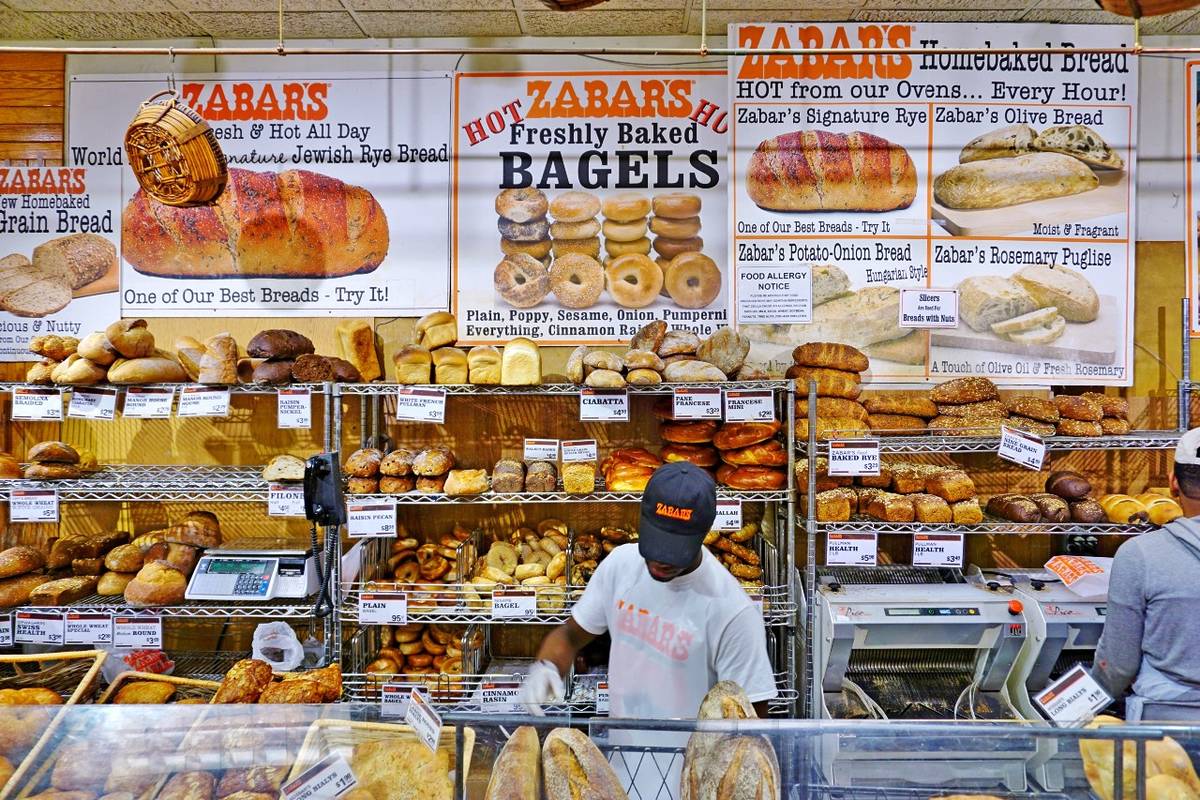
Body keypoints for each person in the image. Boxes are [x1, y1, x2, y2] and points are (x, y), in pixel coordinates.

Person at [519, 460, 778, 719]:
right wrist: (547, 667)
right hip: (619, 756)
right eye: (656, 542)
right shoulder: (620, 565)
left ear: (705, 533)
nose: (660, 560)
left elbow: (752, 724)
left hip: (692, 759)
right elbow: (569, 636)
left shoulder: (733, 612)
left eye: (675, 549)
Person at [1093, 427, 1200, 721]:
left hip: (1165, 724)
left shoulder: (1140, 554)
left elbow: (1118, 663)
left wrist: (1087, 703)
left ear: (1173, 484)